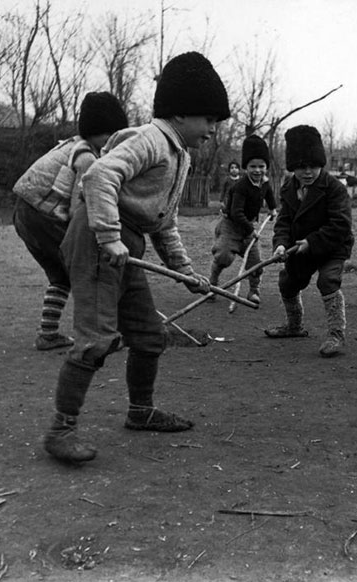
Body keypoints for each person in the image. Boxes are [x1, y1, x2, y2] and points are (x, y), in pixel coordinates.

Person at [42, 52, 230, 464]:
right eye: (209, 120)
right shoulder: (149, 139)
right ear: (181, 113)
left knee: (148, 335)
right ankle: (60, 430)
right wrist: (109, 238)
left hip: (126, 247)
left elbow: (163, 223)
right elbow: (98, 176)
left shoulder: (180, 153)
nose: (213, 130)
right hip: (97, 240)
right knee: (96, 341)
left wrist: (186, 273)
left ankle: (141, 412)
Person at [12, 92, 128, 351]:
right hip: (41, 216)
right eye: (111, 137)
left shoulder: (74, 145)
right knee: (85, 270)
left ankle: (48, 334)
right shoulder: (87, 157)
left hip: (25, 213)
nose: (113, 144)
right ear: (99, 132)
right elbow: (80, 207)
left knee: (61, 275)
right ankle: (99, 334)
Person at [264, 125, 354, 357]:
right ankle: (294, 326)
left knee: (328, 280)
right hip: (300, 247)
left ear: (321, 164)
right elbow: (284, 221)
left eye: (313, 166)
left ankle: (336, 335)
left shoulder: (334, 189)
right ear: (293, 167)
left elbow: (341, 226)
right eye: (301, 167)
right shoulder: (288, 188)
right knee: (288, 282)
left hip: (332, 245)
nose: (307, 172)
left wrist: (312, 242)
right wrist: (281, 244)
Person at [208, 135, 277, 304]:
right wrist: (251, 230)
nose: (257, 170)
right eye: (252, 166)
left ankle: (254, 290)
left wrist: (273, 208)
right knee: (223, 257)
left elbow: (268, 194)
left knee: (255, 264)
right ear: (245, 167)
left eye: (261, 166)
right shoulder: (240, 187)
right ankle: (212, 284)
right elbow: (236, 213)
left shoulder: (265, 182)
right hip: (231, 226)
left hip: (249, 227)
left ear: (266, 167)